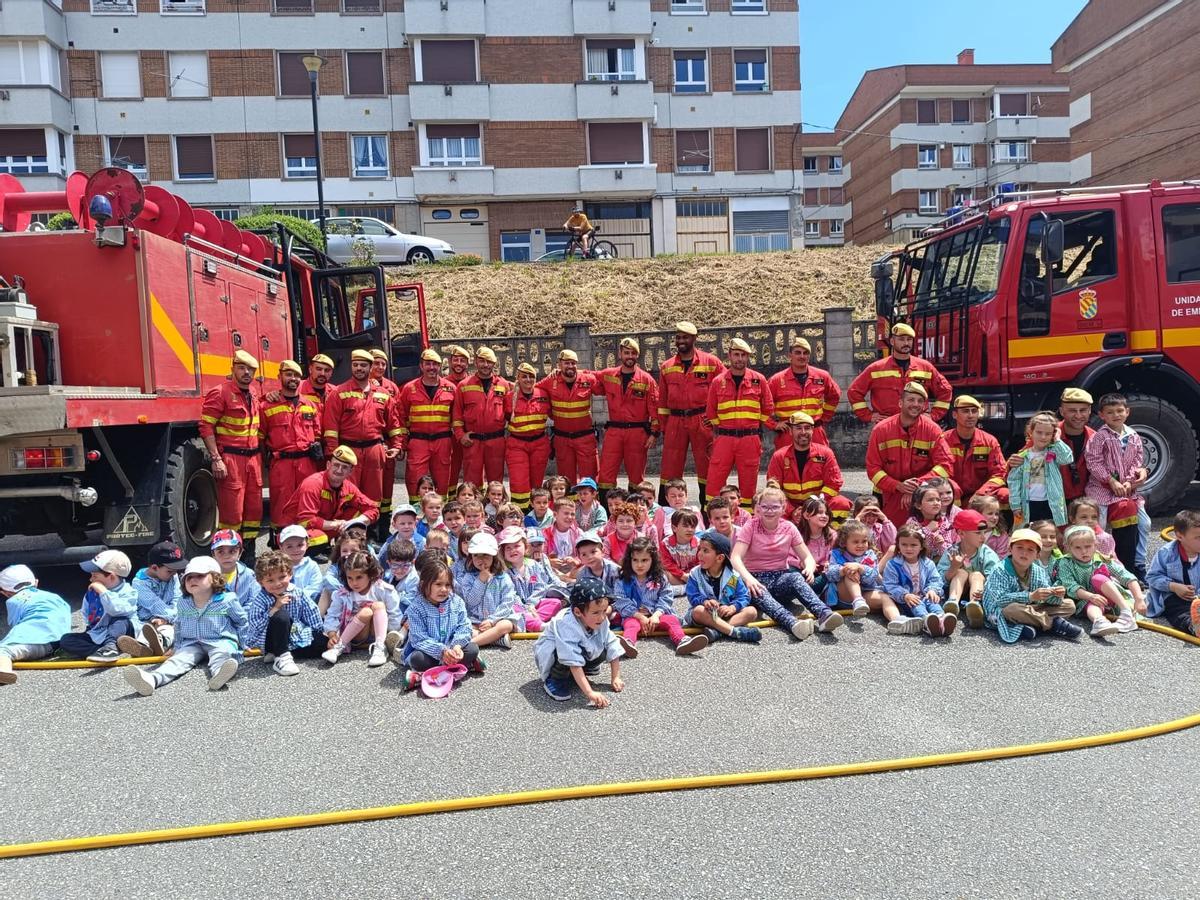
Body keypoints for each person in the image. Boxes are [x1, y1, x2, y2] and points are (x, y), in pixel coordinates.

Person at [729, 486, 843, 639]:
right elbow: (735, 557)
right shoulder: (750, 526)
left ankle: (824, 614)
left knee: (795, 577)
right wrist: (748, 579)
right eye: (765, 507)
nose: (770, 511)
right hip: (755, 579)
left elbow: (807, 556)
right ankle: (792, 623)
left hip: (780, 578)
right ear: (758, 508)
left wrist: (809, 567)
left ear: (783, 508)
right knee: (760, 590)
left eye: (774, 507)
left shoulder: (789, 527)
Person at [121, 556, 246, 696]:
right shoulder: (183, 602)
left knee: (222, 654)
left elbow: (241, 621)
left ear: (215, 578)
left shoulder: (227, 600)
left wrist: (243, 644)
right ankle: (152, 679)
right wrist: (176, 647)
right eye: (188, 577)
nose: (192, 580)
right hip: (192, 642)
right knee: (177, 661)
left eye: (199, 576)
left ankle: (220, 673)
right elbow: (179, 626)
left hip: (220, 640)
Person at [322, 348, 401, 515]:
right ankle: (350, 533)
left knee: (374, 493)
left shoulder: (384, 394)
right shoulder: (339, 393)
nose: (359, 368)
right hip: (348, 451)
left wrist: (397, 445)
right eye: (355, 364)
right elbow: (331, 428)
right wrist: (333, 453)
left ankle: (372, 529)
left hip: (374, 450)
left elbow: (394, 424)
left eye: (363, 365)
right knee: (348, 493)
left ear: (370, 368)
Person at [865, 381, 955, 527]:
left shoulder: (932, 429)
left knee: (952, 490)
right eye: (911, 400)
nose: (916, 404)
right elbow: (873, 469)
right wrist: (898, 486)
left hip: (924, 492)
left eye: (920, 401)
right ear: (900, 403)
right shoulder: (881, 430)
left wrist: (916, 486)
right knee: (893, 533)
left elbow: (946, 466)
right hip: (890, 492)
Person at [199, 349, 264, 550]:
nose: (246, 373)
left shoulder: (252, 393)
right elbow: (206, 426)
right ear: (233, 368)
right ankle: (229, 552)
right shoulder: (220, 392)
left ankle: (249, 550)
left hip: (253, 459)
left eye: (250, 370)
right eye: (242, 368)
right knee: (232, 511)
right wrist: (216, 458)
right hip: (232, 459)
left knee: (254, 508)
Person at [1085, 392, 1152, 577]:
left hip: (1126, 490)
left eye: (1120, 410)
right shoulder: (1100, 437)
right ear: (1102, 415)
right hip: (1101, 490)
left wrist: (1131, 481)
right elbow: (1094, 462)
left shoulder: (1133, 436)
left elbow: (1137, 461)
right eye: (1111, 412)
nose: (1116, 415)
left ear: (1127, 412)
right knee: (1099, 525)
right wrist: (1111, 480)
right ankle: (1097, 562)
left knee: (1145, 523)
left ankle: (1138, 563)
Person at [658, 321, 724, 503]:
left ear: (694, 338)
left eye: (685, 337)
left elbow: (724, 390)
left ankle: (710, 508)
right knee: (670, 467)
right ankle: (666, 509)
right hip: (675, 421)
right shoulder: (667, 366)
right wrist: (664, 427)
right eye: (678, 337)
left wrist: (717, 419)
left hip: (701, 419)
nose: (681, 341)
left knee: (707, 465)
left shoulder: (711, 363)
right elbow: (662, 401)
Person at [706, 338, 774, 509]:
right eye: (736, 354)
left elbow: (768, 407)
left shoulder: (759, 380)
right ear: (729, 355)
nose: (740, 359)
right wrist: (719, 430)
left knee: (748, 483)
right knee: (715, 480)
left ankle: (747, 519)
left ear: (748, 357)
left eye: (743, 355)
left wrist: (755, 426)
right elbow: (711, 410)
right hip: (725, 437)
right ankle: (712, 518)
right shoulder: (717, 382)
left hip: (749, 439)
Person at [612, 537, 708, 656]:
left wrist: (656, 615)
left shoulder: (659, 576)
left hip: (657, 615)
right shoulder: (622, 580)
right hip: (634, 615)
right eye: (635, 560)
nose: (639, 564)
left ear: (652, 560)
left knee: (672, 620)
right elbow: (621, 601)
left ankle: (683, 641)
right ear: (629, 560)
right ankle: (628, 644)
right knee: (631, 625)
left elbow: (666, 596)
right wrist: (640, 617)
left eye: (644, 560)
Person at [535, 580, 626, 706]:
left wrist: (615, 677)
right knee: (563, 655)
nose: (602, 617)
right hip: (556, 653)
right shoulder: (566, 624)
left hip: (582, 649)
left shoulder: (601, 619)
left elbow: (612, 644)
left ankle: (587, 666)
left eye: (604, 611)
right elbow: (571, 658)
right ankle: (555, 679)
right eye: (595, 612)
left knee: (605, 645)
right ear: (578, 612)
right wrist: (590, 693)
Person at [982, 527, 1081, 643]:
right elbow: (999, 600)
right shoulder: (1000, 569)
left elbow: (1046, 598)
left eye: (1030, 550)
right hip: (1003, 609)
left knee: (1069, 605)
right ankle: (1052, 624)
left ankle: (1034, 624)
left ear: (1037, 555)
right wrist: (1030, 596)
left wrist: (1056, 595)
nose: (1024, 553)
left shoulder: (1038, 571)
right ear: (1010, 549)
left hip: (1030, 608)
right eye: (1019, 548)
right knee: (1012, 609)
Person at [401, 557, 482, 691]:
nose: (444, 589)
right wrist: (442, 651)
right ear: (424, 584)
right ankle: (461, 668)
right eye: (438, 584)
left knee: (472, 648)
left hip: (452, 647)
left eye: (447, 585)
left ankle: (425, 676)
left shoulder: (457, 602)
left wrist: (457, 646)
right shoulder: (416, 608)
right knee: (418, 659)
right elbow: (418, 638)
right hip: (429, 652)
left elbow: (464, 626)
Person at [261, 359, 323, 538]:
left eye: (296, 375)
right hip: (282, 464)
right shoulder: (266, 405)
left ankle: (308, 544)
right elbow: (260, 438)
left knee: (308, 502)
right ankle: (281, 545)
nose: (293, 378)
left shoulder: (310, 406)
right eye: (289, 374)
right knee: (282, 506)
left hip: (307, 462)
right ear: (280, 376)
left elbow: (317, 433)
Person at [244, 549, 328, 675]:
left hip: (294, 635)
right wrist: (275, 609)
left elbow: (311, 612)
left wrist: (319, 632)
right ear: (260, 582)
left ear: (290, 574)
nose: (277, 584)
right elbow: (255, 628)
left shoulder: (297, 592)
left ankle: (284, 652)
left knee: (324, 644)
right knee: (281, 616)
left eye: (282, 577)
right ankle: (281, 657)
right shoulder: (260, 600)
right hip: (269, 640)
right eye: (270, 580)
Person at [281, 446, 379, 552]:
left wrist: (352, 522)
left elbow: (373, 509)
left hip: (327, 525)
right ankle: (315, 549)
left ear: (350, 471)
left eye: (345, 467)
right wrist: (336, 524)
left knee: (359, 513)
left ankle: (339, 544)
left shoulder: (348, 487)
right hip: (296, 528)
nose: (339, 470)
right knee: (320, 537)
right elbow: (306, 520)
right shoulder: (313, 483)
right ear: (328, 465)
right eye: (336, 465)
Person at [848, 322, 952, 423]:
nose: (906, 343)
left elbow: (946, 391)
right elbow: (854, 391)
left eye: (909, 339)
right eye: (901, 339)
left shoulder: (925, 367)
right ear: (892, 341)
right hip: (887, 426)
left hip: (918, 426)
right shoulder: (876, 368)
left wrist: (933, 415)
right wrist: (868, 415)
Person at [594, 337, 660, 496]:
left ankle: (635, 512)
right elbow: (588, 376)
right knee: (605, 475)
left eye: (633, 353)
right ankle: (607, 512)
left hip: (637, 433)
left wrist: (654, 433)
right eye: (626, 353)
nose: (629, 356)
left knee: (636, 476)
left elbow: (655, 408)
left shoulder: (646, 380)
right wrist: (562, 371)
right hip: (614, 432)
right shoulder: (609, 375)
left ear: (638, 356)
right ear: (620, 354)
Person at [1054, 525, 1142, 638]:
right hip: (1085, 600)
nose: (1084, 551)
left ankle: (1126, 613)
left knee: (1098, 578)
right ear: (1068, 547)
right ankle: (1099, 621)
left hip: (1111, 597)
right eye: (1077, 548)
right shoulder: (1065, 563)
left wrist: (1139, 599)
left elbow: (1126, 576)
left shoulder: (1100, 559)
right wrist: (1090, 596)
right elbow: (1070, 586)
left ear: (1095, 545)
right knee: (1092, 604)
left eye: (1088, 546)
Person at [321, 550, 403, 667]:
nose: (354, 583)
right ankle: (339, 646)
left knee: (378, 605)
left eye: (359, 577)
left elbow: (395, 615)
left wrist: (392, 634)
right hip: (354, 636)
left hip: (379, 634)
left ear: (370, 574)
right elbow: (332, 615)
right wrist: (332, 634)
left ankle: (380, 648)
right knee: (366, 612)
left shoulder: (383, 589)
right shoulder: (342, 594)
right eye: (350, 578)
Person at [395, 349, 458, 496]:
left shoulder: (451, 388)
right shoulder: (409, 389)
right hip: (418, 441)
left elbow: (457, 418)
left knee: (442, 480)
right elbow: (401, 418)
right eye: (428, 364)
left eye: (435, 364)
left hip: (443, 441)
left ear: (440, 367)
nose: (432, 367)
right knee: (414, 480)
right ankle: (415, 514)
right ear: (421, 366)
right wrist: (402, 444)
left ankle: (440, 513)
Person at [59, 550, 139, 662]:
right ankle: (100, 651)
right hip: (99, 633)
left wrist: (103, 592)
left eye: (95, 576)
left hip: (121, 633)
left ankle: (111, 647)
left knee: (120, 621)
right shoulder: (93, 592)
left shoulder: (129, 592)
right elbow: (86, 612)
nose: (91, 579)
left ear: (111, 577)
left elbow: (115, 610)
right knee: (66, 640)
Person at [683, 530, 761, 643]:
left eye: (705, 551)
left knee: (752, 611)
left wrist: (733, 607)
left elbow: (744, 596)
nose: (699, 553)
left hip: (726, 613)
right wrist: (704, 601)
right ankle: (735, 632)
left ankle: (717, 631)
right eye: (700, 549)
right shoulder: (695, 573)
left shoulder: (733, 576)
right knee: (698, 611)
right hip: (706, 615)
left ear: (720, 558)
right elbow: (692, 596)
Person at [537, 350, 600, 487]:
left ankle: (590, 507)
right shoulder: (550, 380)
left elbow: (606, 386)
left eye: (573, 363)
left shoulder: (587, 379)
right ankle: (568, 507)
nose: (570, 366)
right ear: (559, 364)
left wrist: (588, 372)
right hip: (562, 439)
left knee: (590, 479)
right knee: (566, 481)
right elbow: (532, 390)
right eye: (566, 363)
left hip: (585, 438)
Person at [0, 565, 72, 685]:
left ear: (5, 593)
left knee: (4, 650)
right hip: (60, 640)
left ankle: (3, 670)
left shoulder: (13, 601)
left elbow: (16, 626)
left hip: (36, 643)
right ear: (36, 582)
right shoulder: (53, 596)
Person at [115, 540, 186, 659]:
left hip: (167, 618)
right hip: (147, 620)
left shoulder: (172, 576)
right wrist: (172, 618)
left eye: (176, 570)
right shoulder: (139, 584)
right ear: (154, 567)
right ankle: (142, 646)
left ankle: (160, 643)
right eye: (170, 570)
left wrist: (168, 619)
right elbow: (155, 605)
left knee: (169, 630)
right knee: (146, 629)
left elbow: (177, 598)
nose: (174, 573)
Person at [768, 336, 842, 449]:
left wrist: (825, 417)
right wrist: (773, 424)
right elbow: (761, 404)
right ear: (790, 356)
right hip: (788, 434)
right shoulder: (776, 380)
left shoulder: (822, 376)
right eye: (798, 352)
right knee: (787, 465)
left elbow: (834, 396)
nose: (802, 356)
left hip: (815, 432)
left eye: (805, 353)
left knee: (819, 464)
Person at [452, 347, 510, 488]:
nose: (485, 365)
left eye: (489, 361)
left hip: (496, 441)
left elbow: (510, 413)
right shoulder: (464, 386)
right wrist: (460, 436)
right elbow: (457, 416)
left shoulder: (503, 385)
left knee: (496, 482)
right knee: (471, 482)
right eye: (482, 361)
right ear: (476, 362)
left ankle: (494, 508)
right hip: (473, 441)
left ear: (494, 363)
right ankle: (473, 508)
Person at [766, 411, 843, 513]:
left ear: (812, 431)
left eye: (807, 428)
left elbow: (834, 484)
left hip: (817, 504)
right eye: (798, 428)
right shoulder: (779, 456)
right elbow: (773, 489)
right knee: (770, 508)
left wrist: (814, 506)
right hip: (790, 506)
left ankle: (829, 529)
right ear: (790, 431)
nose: (803, 432)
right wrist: (792, 510)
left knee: (841, 504)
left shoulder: (825, 453)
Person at [457, 532, 524, 649]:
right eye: (476, 555)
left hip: (499, 618)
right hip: (476, 619)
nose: (480, 559)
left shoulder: (503, 577)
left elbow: (507, 603)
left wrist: (492, 621)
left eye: (486, 555)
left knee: (505, 625)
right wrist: (480, 581)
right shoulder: (468, 578)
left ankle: (469, 644)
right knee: (467, 629)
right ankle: (494, 639)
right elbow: (471, 602)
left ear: (494, 556)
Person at [883, 525, 953, 636]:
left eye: (913, 545)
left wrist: (933, 590)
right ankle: (926, 622)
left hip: (925, 595)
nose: (908, 548)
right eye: (904, 545)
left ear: (921, 546)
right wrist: (904, 595)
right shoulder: (893, 565)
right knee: (917, 604)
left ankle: (942, 619)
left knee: (933, 601)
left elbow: (935, 579)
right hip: (907, 601)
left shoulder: (927, 563)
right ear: (898, 546)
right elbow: (890, 585)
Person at [1008, 411, 1073, 528]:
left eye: (1048, 434)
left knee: (1049, 531)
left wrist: (1058, 439)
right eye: (1039, 432)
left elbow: (1067, 458)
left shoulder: (1054, 452)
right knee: (1028, 532)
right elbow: (1014, 481)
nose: (1043, 437)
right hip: (1028, 503)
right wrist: (1015, 505)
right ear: (1030, 432)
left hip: (1050, 503)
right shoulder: (1022, 456)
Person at [936, 508, 998, 628]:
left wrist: (985, 591)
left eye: (984, 533)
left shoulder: (986, 553)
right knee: (960, 572)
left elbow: (994, 576)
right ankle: (952, 603)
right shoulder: (952, 552)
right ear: (962, 534)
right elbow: (940, 579)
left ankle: (974, 605)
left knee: (977, 575)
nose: (983, 537)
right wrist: (953, 567)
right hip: (956, 590)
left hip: (980, 592)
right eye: (977, 533)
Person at [941, 395, 1007, 506]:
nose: (971, 415)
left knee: (1005, 494)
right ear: (954, 415)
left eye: (974, 411)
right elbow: (937, 470)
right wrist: (952, 488)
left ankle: (1001, 523)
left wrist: (982, 493)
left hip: (980, 494)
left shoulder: (989, 441)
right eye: (966, 411)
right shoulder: (944, 440)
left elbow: (999, 474)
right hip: (951, 492)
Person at [497, 526, 565, 633]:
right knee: (512, 609)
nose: (512, 550)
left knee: (555, 603)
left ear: (526, 547)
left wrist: (531, 604)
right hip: (516, 605)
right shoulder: (504, 570)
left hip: (533, 604)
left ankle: (530, 622)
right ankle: (537, 625)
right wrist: (525, 608)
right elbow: (510, 594)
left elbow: (540, 587)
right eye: (508, 548)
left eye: (517, 546)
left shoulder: (533, 565)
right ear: (503, 552)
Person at [505, 362, 552, 512]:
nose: (528, 380)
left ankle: (537, 514)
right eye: (524, 376)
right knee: (519, 484)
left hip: (539, 443)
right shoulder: (509, 397)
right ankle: (519, 514)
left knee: (537, 483)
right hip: (517, 444)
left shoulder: (543, 395)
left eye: (531, 376)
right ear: (517, 378)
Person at [1145, 508, 1200, 632]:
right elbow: (1152, 577)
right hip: (1171, 595)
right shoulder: (1167, 553)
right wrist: (1174, 587)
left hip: (1197, 597)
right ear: (1180, 536)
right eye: (1198, 537)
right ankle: (1193, 626)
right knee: (1177, 609)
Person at [823, 519, 886, 619]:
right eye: (856, 542)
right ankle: (857, 600)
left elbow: (873, 576)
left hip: (866, 594)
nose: (860, 545)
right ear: (844, 543)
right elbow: (830, 575)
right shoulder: (837, 553)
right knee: (850, 571)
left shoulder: (870, 554)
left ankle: (897, 619)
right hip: (844, 596)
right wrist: (843, 570)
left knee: (885, 598)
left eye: (864, 541)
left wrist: (861, 568)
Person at [370, 347, 403, 526]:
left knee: (387, 487)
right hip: (368, 443)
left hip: (387, 443)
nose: (380, 367)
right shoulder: (357, 386)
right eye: (376, 363)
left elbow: (397, 418)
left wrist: (399, 445)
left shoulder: (391, 387)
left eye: (383, 363)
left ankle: (383, 527)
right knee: (369, 488)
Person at [443, 345, 473, 487]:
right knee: (451, 469)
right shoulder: (443, 384)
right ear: (449, 362)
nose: (458, 363)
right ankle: (451, 500)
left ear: (468, 364)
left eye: (462, 360)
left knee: (474, 469)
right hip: (450, 435)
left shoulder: (473, 383)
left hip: (471, 433)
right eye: (455, 360)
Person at [904, 483, 955, 561]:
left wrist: (940, 544)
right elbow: (911, 542)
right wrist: (927, 529)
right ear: (918, 505)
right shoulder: (913, 522)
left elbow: (948, 550)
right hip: (918, 560)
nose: (936, 503)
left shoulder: (944, 521)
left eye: (938, 500)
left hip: (938, 561)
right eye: (930, 500)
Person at [211, 529, 260, 607]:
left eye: (232, 551)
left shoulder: (249, 575)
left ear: (240, 552)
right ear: (213, 554)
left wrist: (239, 616)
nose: (226, 556)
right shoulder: (208, 576)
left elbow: (254, 600)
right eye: (220, 552)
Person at [277, 524, 324, 603]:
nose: (295, 550)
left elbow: (316, 586)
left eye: (300, 545)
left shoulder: (312, 566)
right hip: (282, 603)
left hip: (307, 602)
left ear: (307, 545)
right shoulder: (277, 566)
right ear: (281, 547)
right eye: (289, 546)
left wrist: (297, 596)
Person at [660, 508, 700, 587]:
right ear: (675, 528)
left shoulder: (698, 543)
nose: (689, 530)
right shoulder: (666, 543)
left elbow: (699, 563)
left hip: (691, 575)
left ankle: (687, 586)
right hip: (674, 574)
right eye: (685, 526)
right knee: (663, 575)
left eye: (692, 527)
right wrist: (682, 575)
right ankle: (687, 587)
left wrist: (690, 575)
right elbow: (667, 563)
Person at [544, 498, 582, 576]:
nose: (570, 517)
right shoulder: (545, 533)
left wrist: (576, 561)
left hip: (573, 570)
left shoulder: (578, 533)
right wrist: (549, 561)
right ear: (555, 514)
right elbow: (540, 555)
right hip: (553, 570)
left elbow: (585, 553)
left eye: (572, 514)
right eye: (566, 513)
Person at [969, 493, 1009, 559]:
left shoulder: (1001, 535)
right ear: (977, 514)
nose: (995, 517)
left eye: (996, 514)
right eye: (990, 513)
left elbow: (1001, 557)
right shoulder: (969, 532)